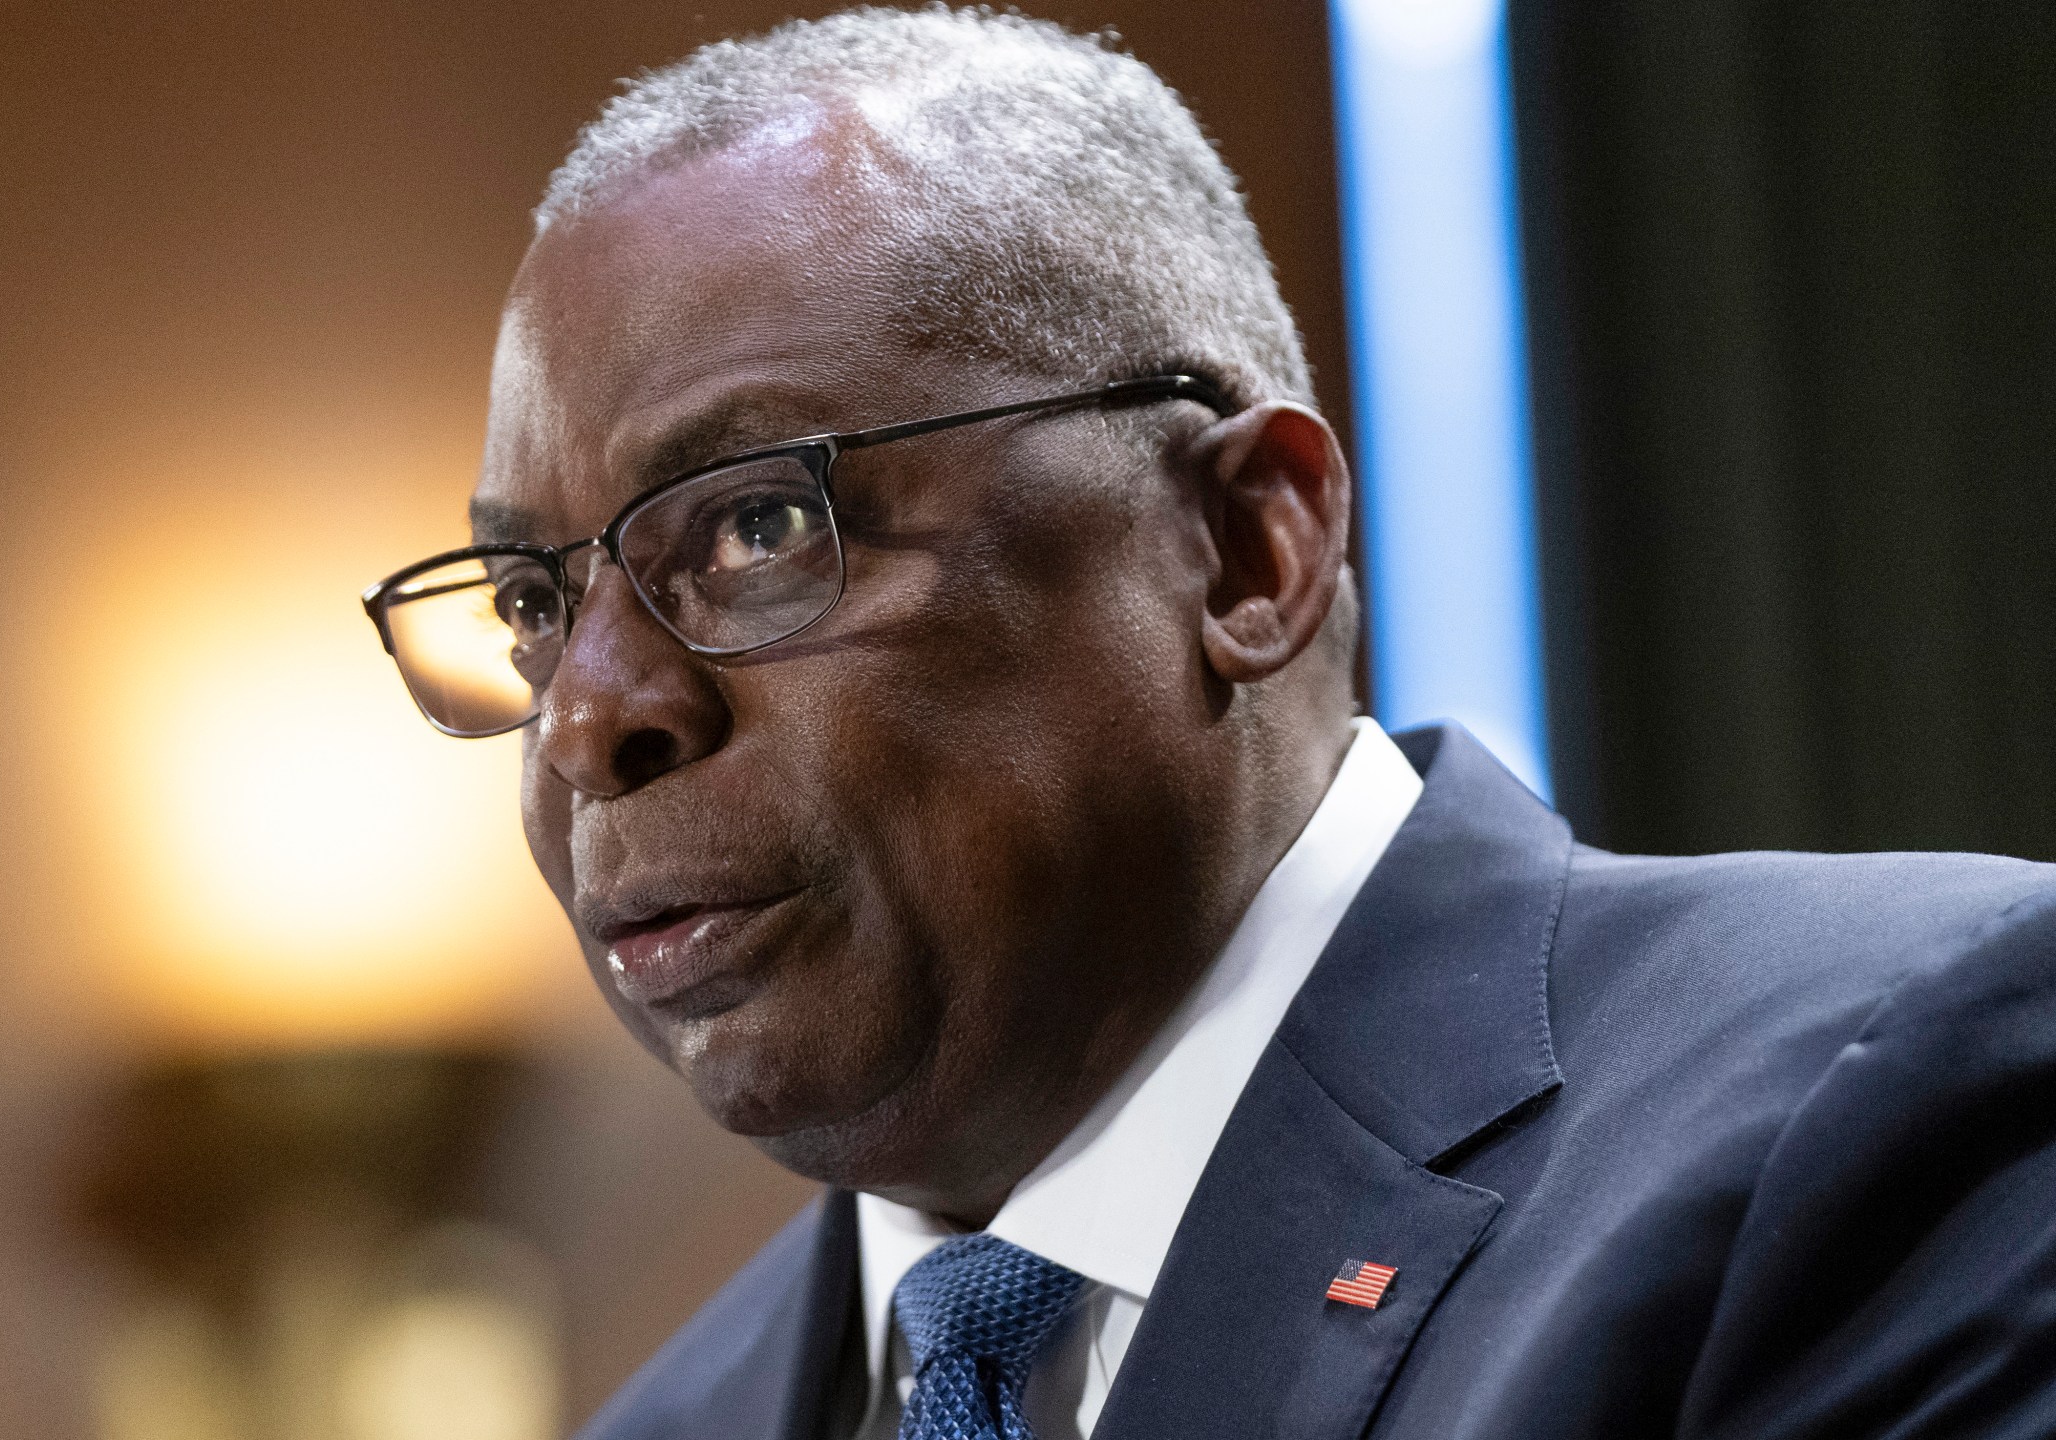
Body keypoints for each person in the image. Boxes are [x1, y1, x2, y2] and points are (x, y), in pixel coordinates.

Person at [361, 8, 2056, 1438]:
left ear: (1249, 547)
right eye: (530, 602)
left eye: (757, 525)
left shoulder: (1880, 1108)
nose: (590, 716)